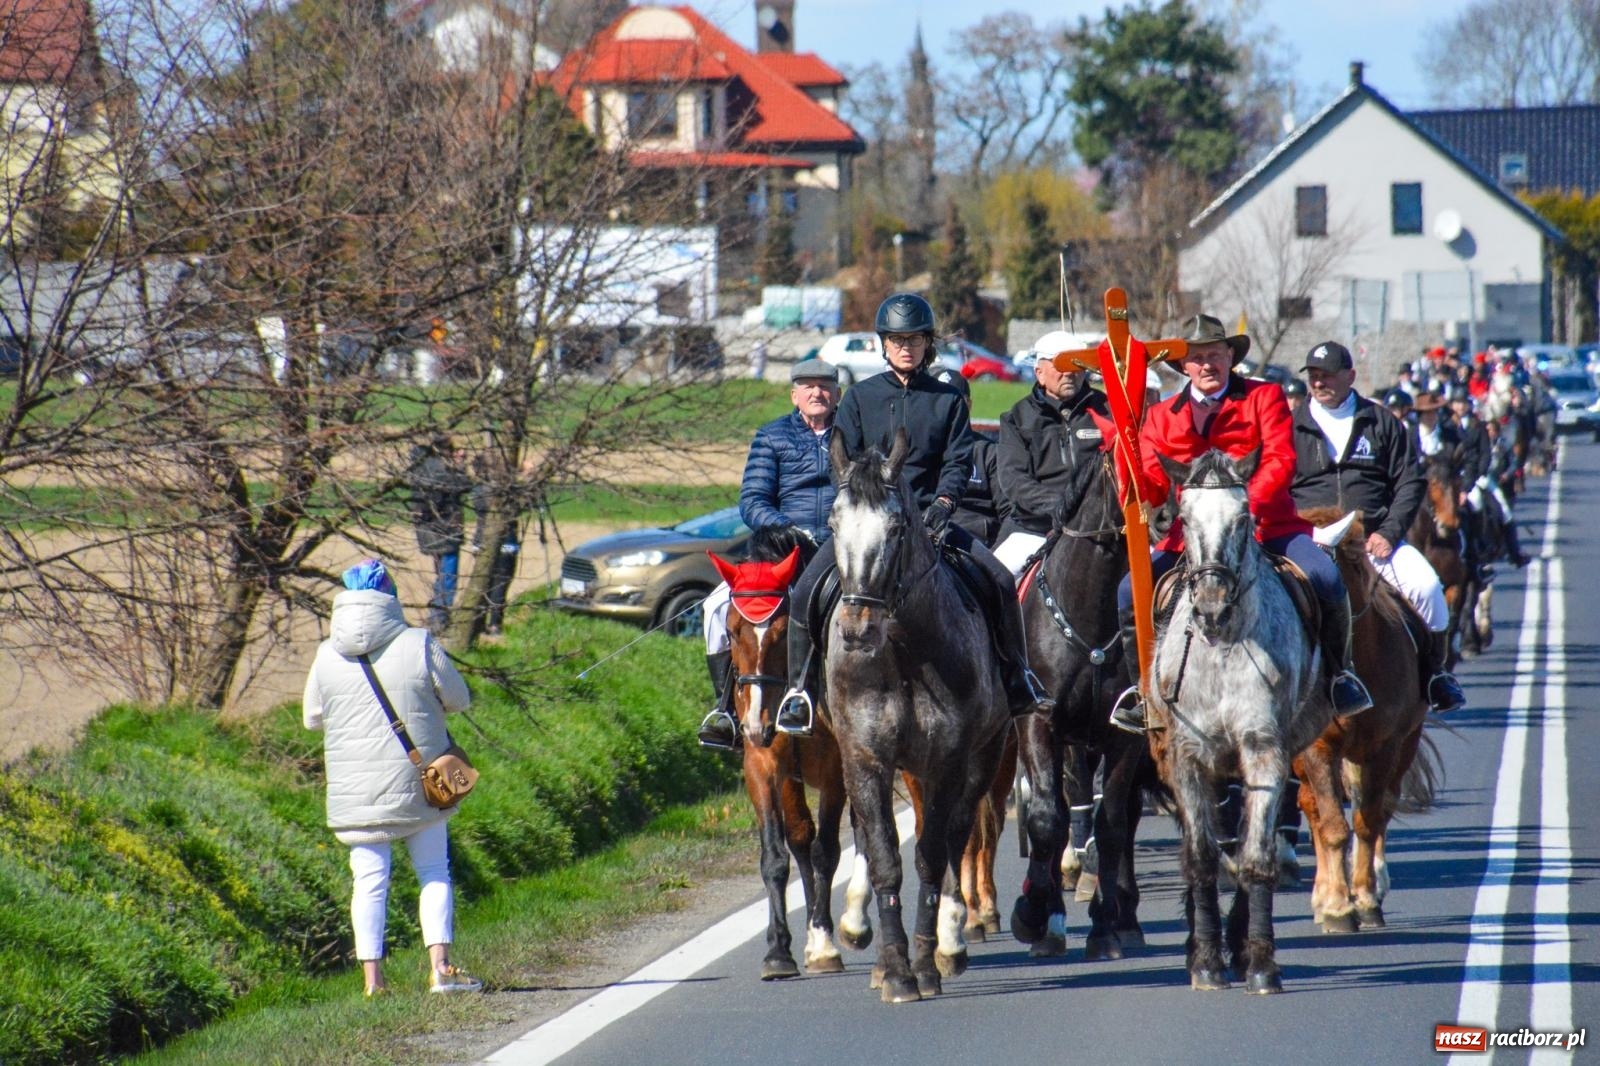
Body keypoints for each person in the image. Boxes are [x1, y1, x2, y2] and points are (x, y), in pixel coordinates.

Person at [775, 292, 1054, 735]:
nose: (906, 347)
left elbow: (959, 461)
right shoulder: (859, 398)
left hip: (929, 521)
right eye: (897, 339)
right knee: (807, 589)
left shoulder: (947, 401)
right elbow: (839, 459)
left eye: (915, 339)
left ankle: (1016, 677)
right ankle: (799, 692)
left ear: (927, 344)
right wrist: (857, 508)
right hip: (869, 524)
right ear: (884, 344)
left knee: (999, 581)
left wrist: (944, 504)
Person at [1109, 316, 1372, 734]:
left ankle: (1341, 677)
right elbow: (1153, 486)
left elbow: (1281, 460)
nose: (1207, 364)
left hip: (1268, 526)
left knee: (1325, 577)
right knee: (1129, 593)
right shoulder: (1160, 417)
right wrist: (1125, 452)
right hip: (1194, 541)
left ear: (1230, 356)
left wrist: (1244, 509)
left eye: (1215, 354)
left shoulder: (1263, 397)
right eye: (1197, 358)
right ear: (1184, 367)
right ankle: (1143, 692)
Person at [302, 559, 483, 997]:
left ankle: (373, 982)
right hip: (418, 784)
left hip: (355, 792)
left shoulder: (327, 653)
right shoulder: (418, 643)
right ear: (390, 597)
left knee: (368, 884)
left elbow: (311, 718)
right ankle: (441, 969)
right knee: (433, 871)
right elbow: (459, 699)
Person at [1289, 341, 1466, 713]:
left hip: (1371, 539)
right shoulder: (1291, 424)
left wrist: (1388, 532)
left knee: (1428, 587)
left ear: (1350, 377)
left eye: (1328, 376)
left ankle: (1436, 674)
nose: (1319, 384)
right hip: (1309, 540)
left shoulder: (1381, 422)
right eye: (1314, 377)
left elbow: (1410, 482)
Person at [697, 357, 840, 750]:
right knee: (713, 609)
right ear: (794, 395)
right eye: (808, 386)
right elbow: (753, 501)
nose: (817, 392)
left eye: (825, 385)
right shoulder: (771, 436)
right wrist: (785, 528)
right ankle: (724, 709)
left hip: (837, 548)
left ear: (837, 393)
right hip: (778, 552)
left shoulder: (853, 435)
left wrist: (836, 530)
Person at [992, 330, 1111, 576]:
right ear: (1039, 372)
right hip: (1033, 529)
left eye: (1076, 364)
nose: (1069, 373)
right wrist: (1061, 506)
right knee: (992, 581)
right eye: (1060, 365)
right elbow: (1013, 480)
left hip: (1099, 528)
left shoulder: (1107, 411)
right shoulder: (1016, 418)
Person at [934, 366, 1009, 546]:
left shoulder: (989, 452)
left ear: (969, 405)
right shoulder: (916, 451)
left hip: (977, 545)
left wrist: (997, 555)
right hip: (926, 541)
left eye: (956, 401)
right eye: (939, 401)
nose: (947, 409)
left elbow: (1010, 513)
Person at [408, 435, 473, 635]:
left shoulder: (420, 469)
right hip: (445, 530)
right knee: (448, 576)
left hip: (427, 531)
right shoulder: (440, 470)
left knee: (440, 573)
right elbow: (464, 484)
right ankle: (439, 618)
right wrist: (460, 465)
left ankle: (437, 614)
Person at [468, 458, 521, 637]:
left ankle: (479, 622)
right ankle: (495, 623)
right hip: (505, 542)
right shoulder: (504, 492)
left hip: (481, 540)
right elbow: (520, 506)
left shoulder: (477, 490)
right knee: (500, 583)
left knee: (484, 582)